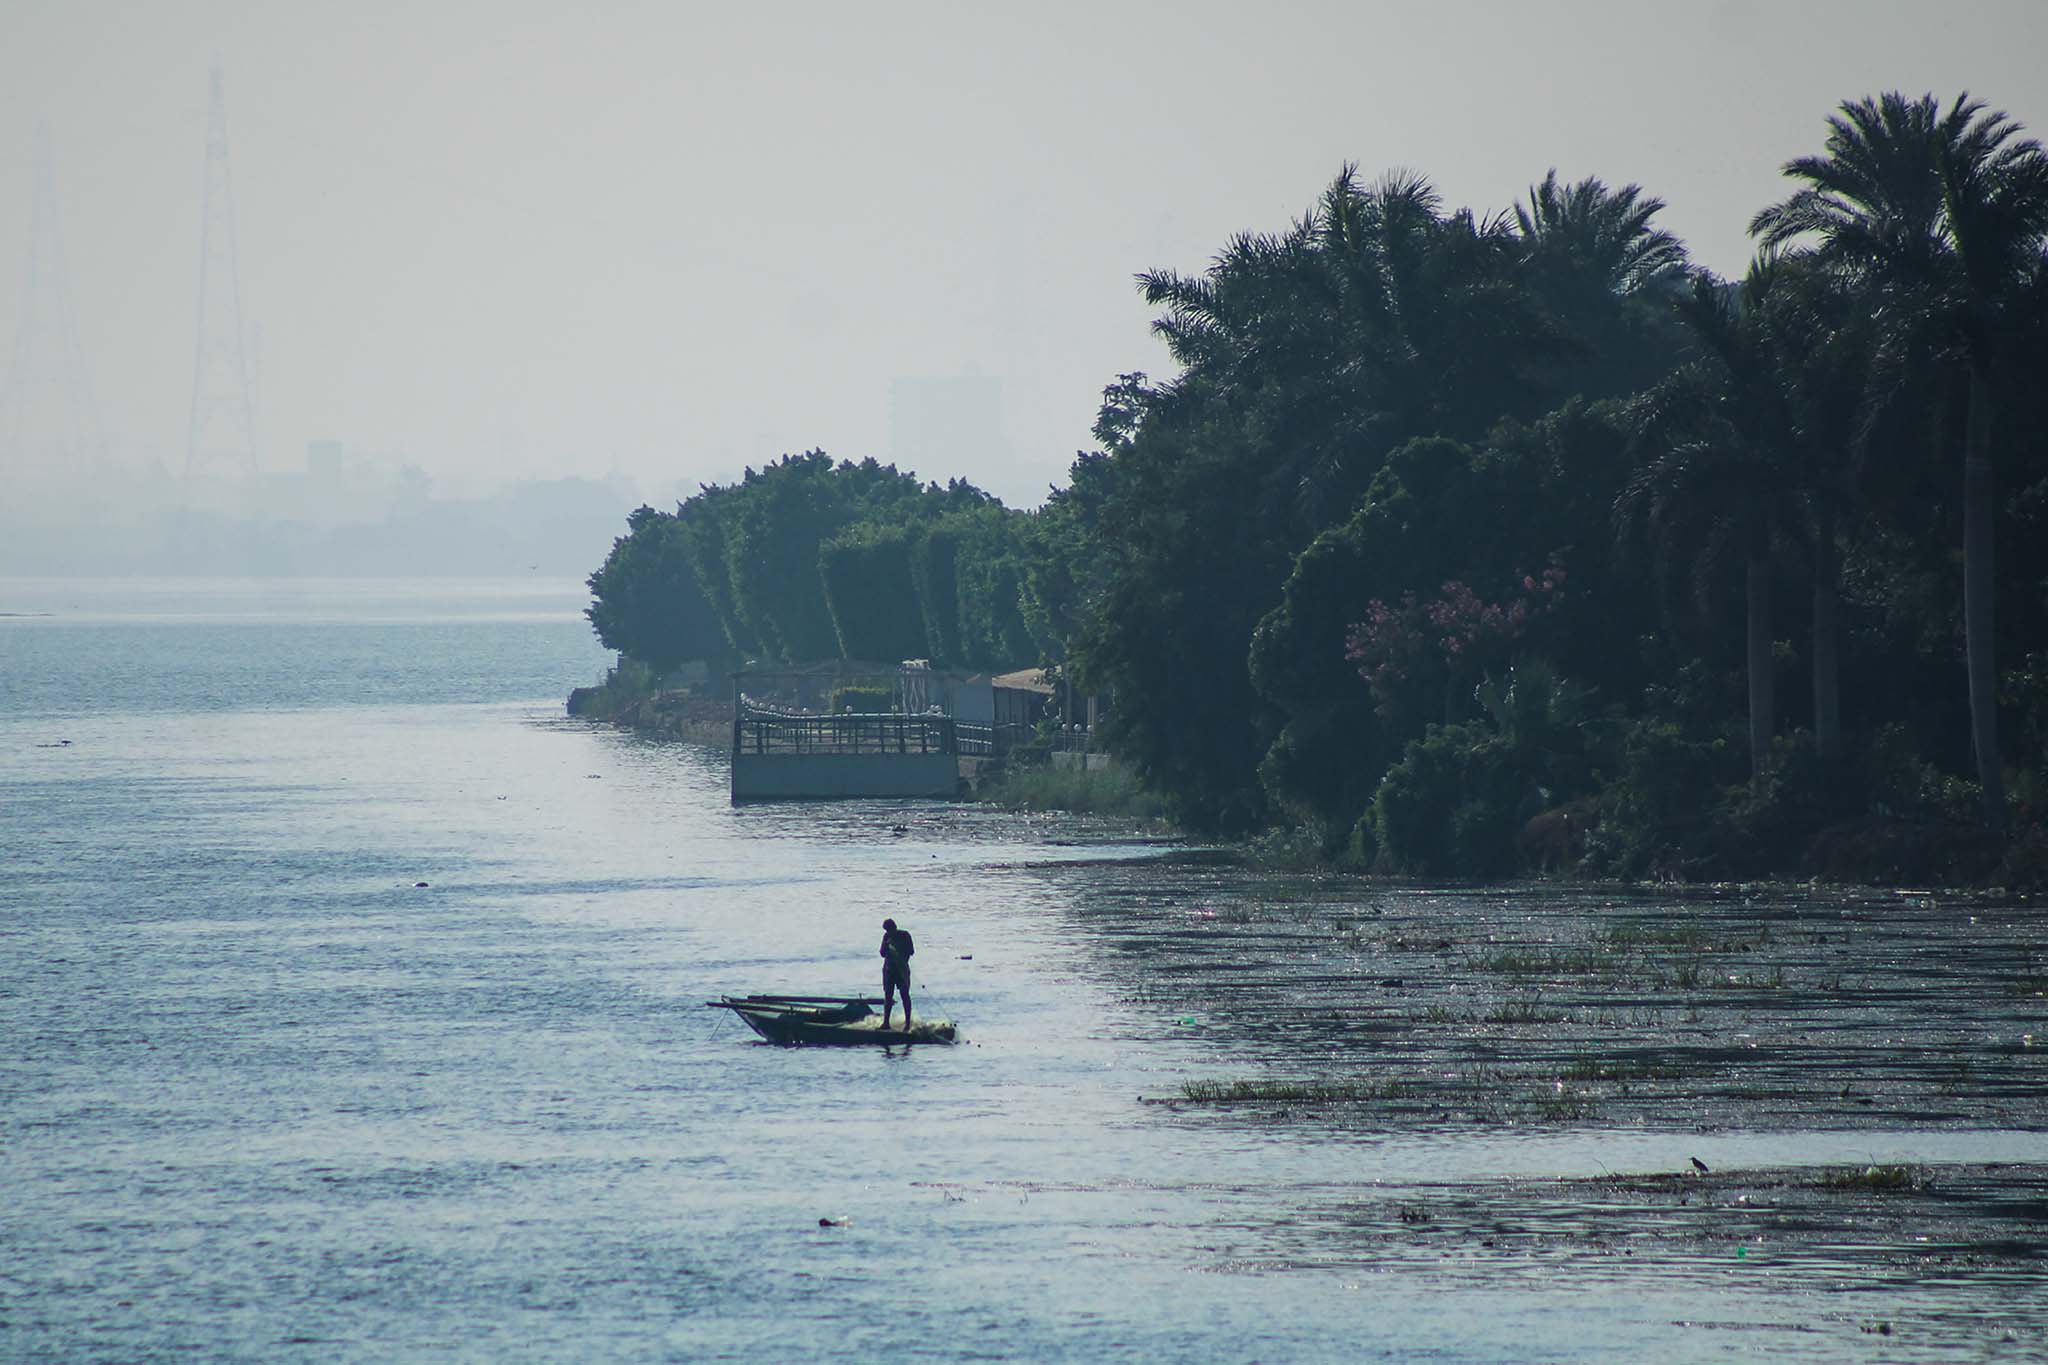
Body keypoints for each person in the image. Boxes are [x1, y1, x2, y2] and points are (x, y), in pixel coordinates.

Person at [879, 917, 914, 1029]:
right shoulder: (887, 936)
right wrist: (886, 945)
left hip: (901, 970)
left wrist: (900, 954)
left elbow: (911, 951)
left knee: (904, 994)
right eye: (887, 931)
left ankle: (908, 1023)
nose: (889, 932)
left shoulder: (905, 935)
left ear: (894, 927)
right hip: (889, 970)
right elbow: (882, 953)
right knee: (888, 996)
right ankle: (886, 1023)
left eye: (889, 930)